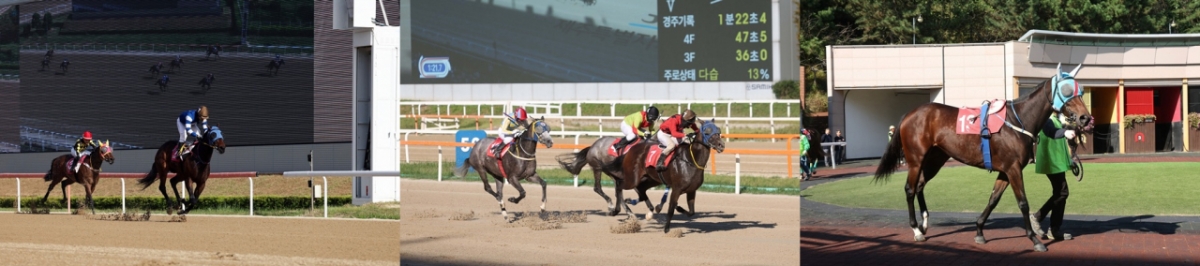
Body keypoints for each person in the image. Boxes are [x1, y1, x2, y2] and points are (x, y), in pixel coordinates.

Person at [1030, 114, 1077, 241]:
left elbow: (1059, 145)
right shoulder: (1046, 118)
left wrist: (1069, 161)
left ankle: (1054, 229)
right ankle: (1037, 217)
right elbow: (1051, 132)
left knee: (1060, 193)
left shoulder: (1055, 119)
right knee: (1062, 192)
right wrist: (1065, 132)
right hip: (1051, 162)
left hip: (1057, 162)